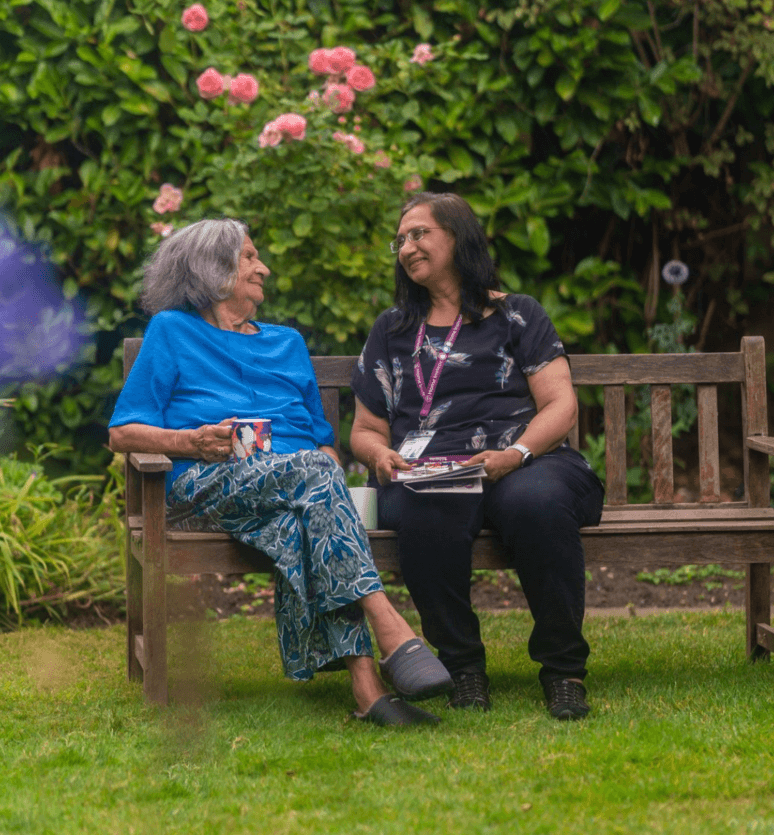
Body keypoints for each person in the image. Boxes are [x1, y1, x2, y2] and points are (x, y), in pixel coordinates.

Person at [108, 217, 453, 726]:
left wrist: (330, 479)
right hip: (206, 484)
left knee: (308, 513)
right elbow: (123, 432)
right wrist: (190, 442)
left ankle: (367, 690)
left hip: (297, 490)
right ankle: (390, 627)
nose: (262, 267)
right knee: (313, 474)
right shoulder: (172, 332)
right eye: (249, 257)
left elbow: (321, 442)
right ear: (212, 268)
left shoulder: (287, 343)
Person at [349, 193, 605, 720]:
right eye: (400, 240)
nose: (406, 246)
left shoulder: (516, 315)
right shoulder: (392, 330)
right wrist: (381, 455)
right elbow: (365, 429)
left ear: (458, 238)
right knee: (423, 511)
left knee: (537, 505)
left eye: (419, 233)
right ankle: (462, 667)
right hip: (429, 471)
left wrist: (514, 454)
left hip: (525, 458)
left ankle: (563, 672)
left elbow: (561, 404)